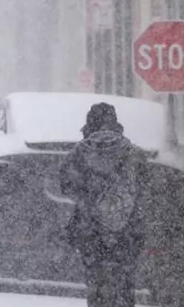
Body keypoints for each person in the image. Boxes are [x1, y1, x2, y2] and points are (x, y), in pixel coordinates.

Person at [58, 103, 148, 307]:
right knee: (125, 281)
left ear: (89, 124)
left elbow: (66, 185)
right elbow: (145, 187)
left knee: (96, 281)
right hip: (127, 230)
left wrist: (89, 199)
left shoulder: (79, 153)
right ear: (115, 123)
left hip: (90, 230)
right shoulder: (134, 153)